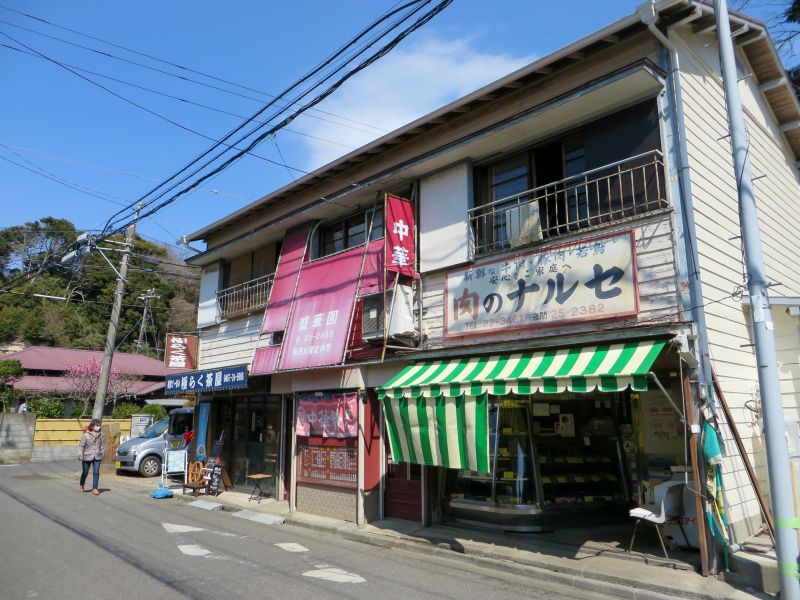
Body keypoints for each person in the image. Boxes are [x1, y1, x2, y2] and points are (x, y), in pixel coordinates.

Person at [78, 419, 105, 495]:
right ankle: (81, 485)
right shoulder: (86, 435)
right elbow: (81, 446)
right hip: (87, 456)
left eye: (99, 425)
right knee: (85, 472)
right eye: (97, 425)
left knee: (96, 472)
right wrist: (80, 455)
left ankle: (94, 488)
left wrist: (102, 454)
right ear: (92, 426)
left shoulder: (101, 434)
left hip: (97, 456)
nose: (98, 427)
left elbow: (103, 445)